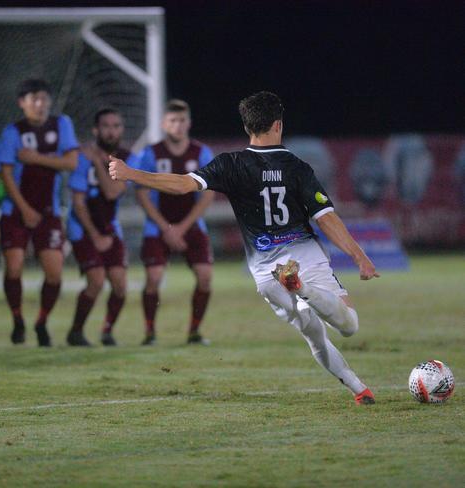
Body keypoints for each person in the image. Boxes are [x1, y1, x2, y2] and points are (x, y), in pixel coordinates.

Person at [108, 91, 379, 405]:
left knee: (313, 333)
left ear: (248, 127)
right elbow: (326, 218)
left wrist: (130, 174)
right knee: (349, 326)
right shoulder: (296, 167)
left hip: (267, 273)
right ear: (278, 124)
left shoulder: (230, 164)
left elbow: (182, 185)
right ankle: (303, 290)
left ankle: (359, 389)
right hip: (304, 257)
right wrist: (360, 257)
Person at [0, 78, 79, 346]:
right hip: (16, 211)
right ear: (22, 103)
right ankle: (17, 319)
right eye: (34, 99)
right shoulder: (12, 132)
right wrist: (24, 209)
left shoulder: (62, 124)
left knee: (55, 273)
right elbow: (7, 174)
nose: (40, 104)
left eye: (44, 98)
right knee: (14, 267)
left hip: (49, 211)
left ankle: (42, 321)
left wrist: (37, 158)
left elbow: (71, 162)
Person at [136, 99, 215, 346]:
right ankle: (149, 333)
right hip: (158, 227)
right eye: (172, 121)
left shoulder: (201, 153)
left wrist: (181, 227)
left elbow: (209, 194)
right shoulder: (151, 153)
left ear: (188, 123)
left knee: (204, 276)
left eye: (181, 121)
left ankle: (194, 332)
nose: (177, 125)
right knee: (154, 277)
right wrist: (166, 228)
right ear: (163, 124)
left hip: (191, 226)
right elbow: (141, 193)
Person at [66, 108, 139, 346]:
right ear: (96, 130)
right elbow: (77, 203)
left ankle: (107, 332)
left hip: (109, 226)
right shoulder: (80, 158)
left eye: (116, 126)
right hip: (82, 228)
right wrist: (95, 235)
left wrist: (98, 160)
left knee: (120, 285)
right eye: (106, 126)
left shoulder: (127, 157)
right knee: (96, 280)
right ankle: (75, 332)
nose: (112, 130)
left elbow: (113, 191)